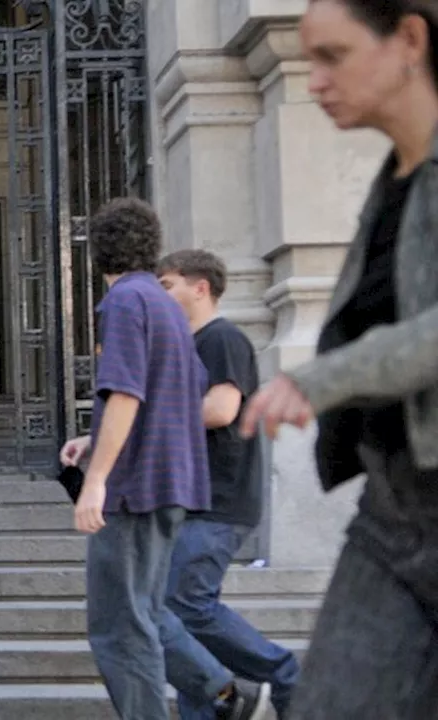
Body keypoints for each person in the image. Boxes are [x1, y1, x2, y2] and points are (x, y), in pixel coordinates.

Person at [240, 1, 438, 717]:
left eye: (334, 55)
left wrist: (321, 379)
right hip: (393, 512)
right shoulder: (394, 180)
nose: (314, 79)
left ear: (409, 39)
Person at [59, 198, 270, 720]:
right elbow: (171, 398)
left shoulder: (126, 303)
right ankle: (228, 696)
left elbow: (128, 393)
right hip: (173, 485)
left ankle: (222, 697)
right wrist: (95, 439)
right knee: (147, 618)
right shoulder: (166, 309)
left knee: (119, 630)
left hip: (137, 488)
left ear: (97, 253)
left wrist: (96, 481)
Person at [158, 249, 302, 718]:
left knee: (185, 606)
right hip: (192, 500)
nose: (161, 294)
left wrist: (148, 419)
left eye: (168, 285)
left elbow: (221, 409)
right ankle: (209, 709)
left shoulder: (222, 339)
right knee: (184, 618)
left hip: (219, 500)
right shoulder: (188, 344)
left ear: (200, 288)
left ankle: (283, 674)